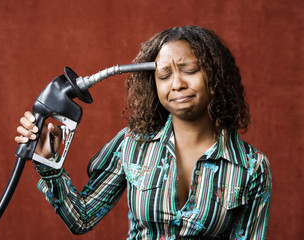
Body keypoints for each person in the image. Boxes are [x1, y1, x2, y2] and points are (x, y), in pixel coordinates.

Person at [15, 26, 272, 239]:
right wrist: (48, 163)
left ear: (216, 77)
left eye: (190, 71)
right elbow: (82, 218)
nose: (177, 84)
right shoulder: (131, 145)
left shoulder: (251, 166)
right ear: (154, 86)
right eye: (164, 75)